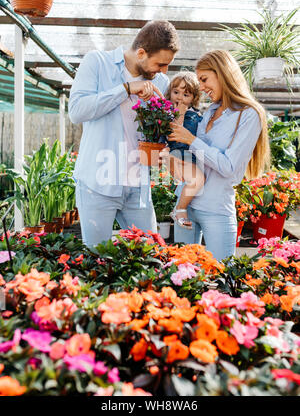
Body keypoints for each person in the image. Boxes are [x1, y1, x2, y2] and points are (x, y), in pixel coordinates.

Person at [68, 20, 180, 247]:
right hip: (97, 184)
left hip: (137, 185)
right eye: (160, 63)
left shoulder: (159, 80)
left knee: (150, 254)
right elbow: (77, 111)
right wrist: (126, 90)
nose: (164, 71)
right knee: (96, 258)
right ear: (141, 53)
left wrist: (163, 147)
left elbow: (159, 128)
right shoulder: (97, 63)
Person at [166, 49, 270, 262]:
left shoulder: (249, 114)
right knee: (182, 276)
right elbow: (193, 158)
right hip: (184, 204)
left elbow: (229, 167)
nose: (201, 88)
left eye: (204, 80)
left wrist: (191, 140)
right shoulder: (210, 111)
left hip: (215, 208)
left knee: (223, 277)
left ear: (222, 73)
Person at [164, 71, 204, 229]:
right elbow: (172, 134)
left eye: (186, 94)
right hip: (177, 155)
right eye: (176, 92)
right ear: (170, 92)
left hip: (191, 156)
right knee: (197, 180)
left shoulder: (195, 115)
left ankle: (180, 208)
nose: (180, 97)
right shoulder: (167, 113)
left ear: (194, 98)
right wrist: (178, 114)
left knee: (196, 181)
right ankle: (180, 210)